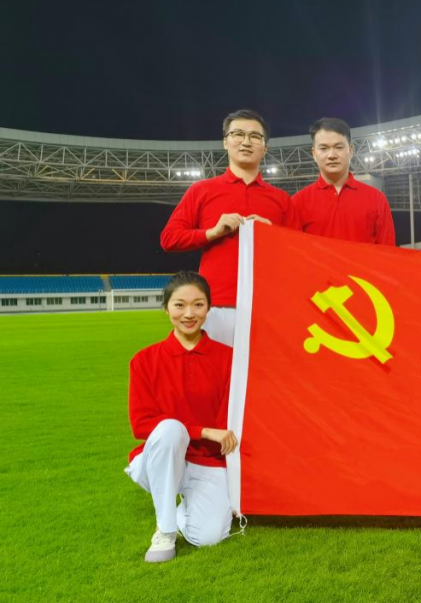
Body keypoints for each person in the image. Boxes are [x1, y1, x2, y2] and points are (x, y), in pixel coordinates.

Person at [125, 272, 237, 563]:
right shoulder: (144, 360)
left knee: (209, 537)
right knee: (171, 429)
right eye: (180, 305)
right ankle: (165, 531)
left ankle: (181, 509)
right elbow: (141, 424)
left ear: (209, 308)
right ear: (166, 308)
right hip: (160, 458)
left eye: (198, 305)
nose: (189, 314)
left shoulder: (229, 358)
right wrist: (202, 431)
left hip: (206, 460)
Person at [160, 109, 291, 346]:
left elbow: (298, 253)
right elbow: (169, 238)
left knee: (267, 372)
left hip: (269, 306)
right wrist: (212, 232)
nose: (246, 142)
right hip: (217, 307)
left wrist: (273, 234)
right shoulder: (202, 190)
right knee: (215, 371)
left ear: (265, 147)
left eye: (255, 136)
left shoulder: (282, 199)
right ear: (225, 142)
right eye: (238, 134)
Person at [287, 117, 395, 245]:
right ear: (314, 153)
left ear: (351, 150)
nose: (332, 155)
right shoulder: (297, 203)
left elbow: (388, 251)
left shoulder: (376, 199)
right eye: (324, 148)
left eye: (338, 147)